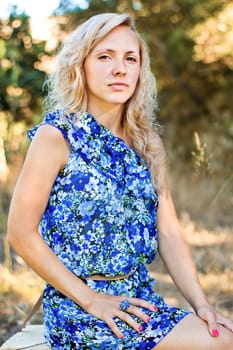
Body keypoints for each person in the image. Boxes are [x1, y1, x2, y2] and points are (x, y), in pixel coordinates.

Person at [7, 12, 233, 350]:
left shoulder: (147, 144)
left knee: (223, 334)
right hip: (80, 310)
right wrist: (92, 300)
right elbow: (19, 233)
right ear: (79, 66)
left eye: (131, 58)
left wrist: (201, 304)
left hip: (139, 301)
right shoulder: (56, 138)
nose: (120, 69)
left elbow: (168, 231)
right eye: (104, 57)